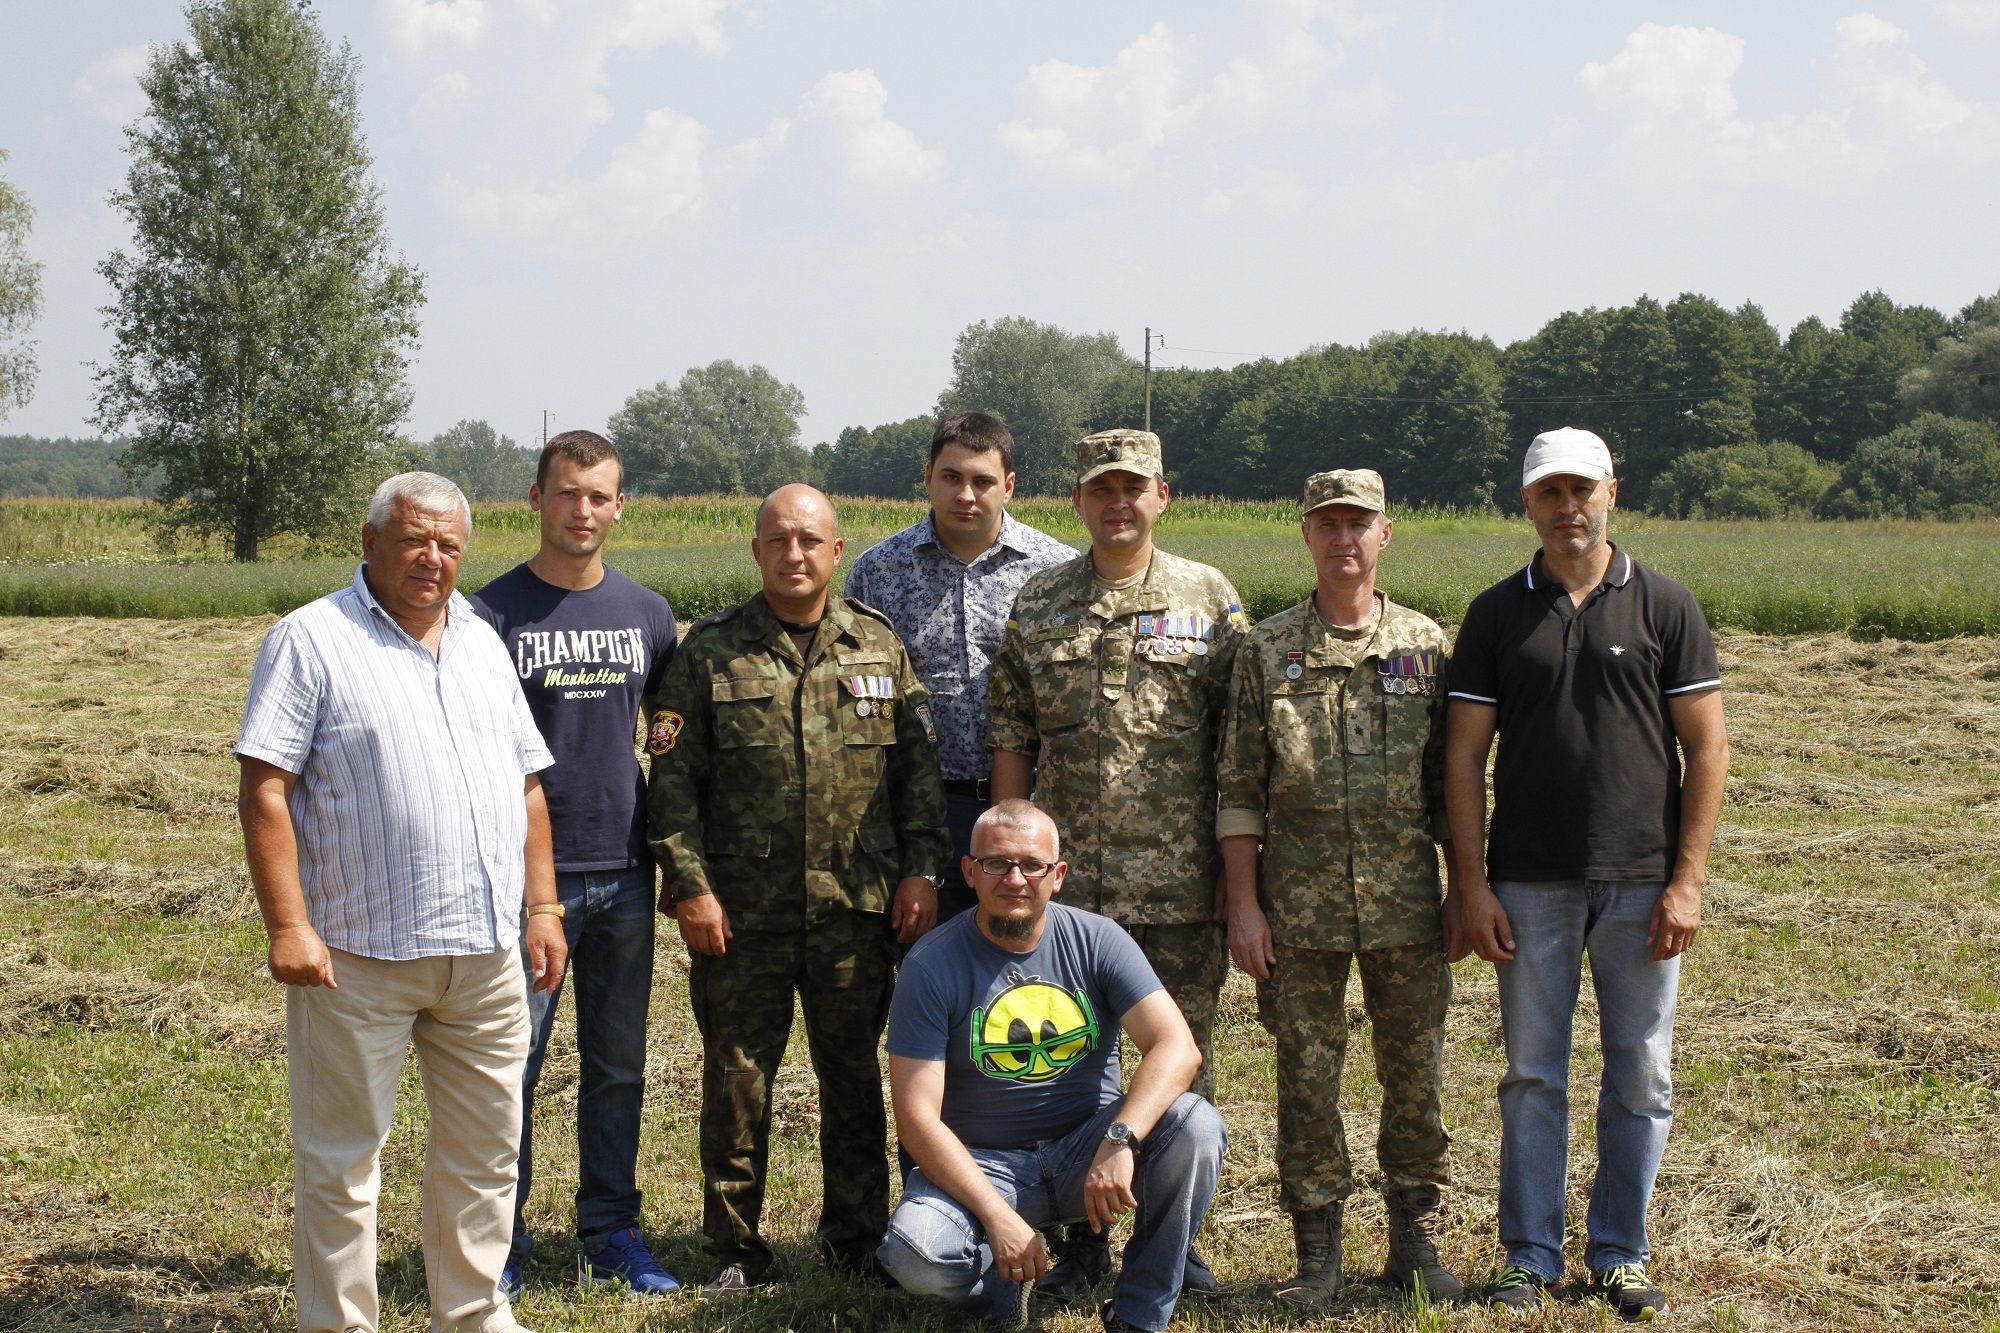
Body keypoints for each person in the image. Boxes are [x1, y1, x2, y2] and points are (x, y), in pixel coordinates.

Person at [235, 472, 568, 1333]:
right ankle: (341, 1323)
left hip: (486, 952)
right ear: (370, 541)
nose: (433, 558)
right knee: (344, 1161)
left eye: (449, 544)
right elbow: (266, 786)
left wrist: (542, 908)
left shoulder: (483, 641)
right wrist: (288, 924)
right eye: (416, 539)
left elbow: (526, 785)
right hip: (357, 954)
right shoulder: (311, 639)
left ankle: (473, 1311)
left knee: (485, 1153)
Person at [1445, 427, 1729, 1321]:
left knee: (1641, 1073)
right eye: (1549, 492)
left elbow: (1707, 748)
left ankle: (1620, 1252)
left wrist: (1688, 880)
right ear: (1528, 503)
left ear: (1614, 492)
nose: (1568, 507)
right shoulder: (1497, 614)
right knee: (1533, 1074)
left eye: (1582, 489)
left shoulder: (1667, 605)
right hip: (1528, 884)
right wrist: (1472, 884)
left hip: (1642, 883)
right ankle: (1528, 1256)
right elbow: (1463, 759)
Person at [646, 484, 950, 1294]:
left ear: (836, 550)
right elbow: (671, 787)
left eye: (810, 539)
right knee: (737, 1080)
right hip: (742, 917)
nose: (794, 553)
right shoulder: (711, 652)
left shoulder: (878, 645)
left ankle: (857, 1238)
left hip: (855, 912)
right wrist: (691, 888)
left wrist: (922, 871)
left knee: (852, 1078)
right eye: (778, 539)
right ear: (756, 550)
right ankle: (735, 1248)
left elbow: (917, 777)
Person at [987, 428, 1246, 1298]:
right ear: (1078, 501)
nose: (1118, 503)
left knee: (1182, 1069)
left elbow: (1240, 746)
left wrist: (1234, 868)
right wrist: (1010, 867)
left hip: (1180, 888)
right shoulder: (1041, 601)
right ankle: (1081, 1245)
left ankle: (1173, 1244)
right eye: (1102, 488)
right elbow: (1013, 737)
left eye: (1134, 487)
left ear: (1162, 496)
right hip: (1069, 894)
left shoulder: (1209, 597)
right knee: (1064, 1066)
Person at [875, 799, 1226, 1333]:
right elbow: (917, 1119)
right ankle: (1001, 1288)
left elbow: (1177, 1047)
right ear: (969, 872)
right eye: (997, 863)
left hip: (1086, 1149)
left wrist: (1119, 1138)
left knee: (1196, 1123)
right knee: (915, 1256)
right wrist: (996, 1216)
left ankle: (1140, 1312)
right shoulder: (931, 965)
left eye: (1032, 865)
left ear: (1057, 875)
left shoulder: (1099, 939)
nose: (1015, 879)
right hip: (982, 1164)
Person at [471, 431, 681, 1299]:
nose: (582, 510)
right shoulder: (490, 614)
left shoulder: (649, 613)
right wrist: (533, 896)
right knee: (510, 1065)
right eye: (567, 493)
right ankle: (498, 1241)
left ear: (620, 506)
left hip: (625, 872)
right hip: (529, 882)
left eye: (599, 496)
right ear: (536, 498)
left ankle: (611, 1231)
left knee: (618, 1065)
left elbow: (668, 737)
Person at [845, 411, 1073, 924]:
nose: (965, 495)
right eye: (951, 477)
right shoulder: (879, 571)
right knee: (928, 955)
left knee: (1021, 954)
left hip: (1036, 807)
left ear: (1008, 486)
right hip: (923, 810)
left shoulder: (1056, 571)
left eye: (982, 481)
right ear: (928, 477)